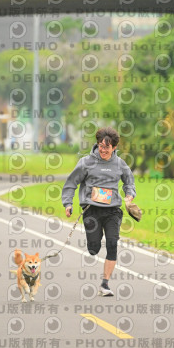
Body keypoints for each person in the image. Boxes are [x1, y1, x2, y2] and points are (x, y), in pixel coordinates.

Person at [62, 127, 136, 297]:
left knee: (112, 244)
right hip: (92, 211)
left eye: (107, 147)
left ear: (114, 147)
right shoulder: (86, 162)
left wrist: (130, 194)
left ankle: (105, 284)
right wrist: (68, 203)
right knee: (93, 249)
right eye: (101, 146)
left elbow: (129, 182)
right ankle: (94, 244)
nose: (103, 150)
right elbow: (71, 183)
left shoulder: (120, 164)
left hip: (112, 211)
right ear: (97, 144)